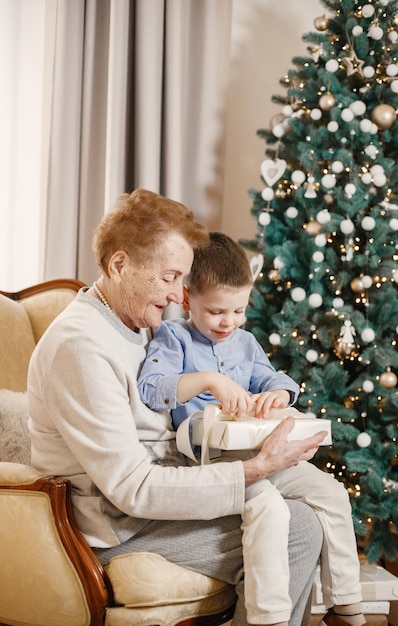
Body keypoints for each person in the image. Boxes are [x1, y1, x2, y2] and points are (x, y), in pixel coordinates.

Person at [28, 189, 325, 626]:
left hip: (156, 504)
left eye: (181, 279)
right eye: (168, 277)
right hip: (118, 527)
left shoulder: (137, 323)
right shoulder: (81, 347)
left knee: (297, 509)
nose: (177, 295)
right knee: (296, 529)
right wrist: (253, 471)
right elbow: (132, 487)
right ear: (120, 265)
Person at [138, 231, 367, 626]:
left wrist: (277, 396)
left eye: (238, 310)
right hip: (214, 462)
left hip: (263, 450)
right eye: (216, 312)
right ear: (189, 298)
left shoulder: (245, 342)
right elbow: (151, 387)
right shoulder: (173, 337)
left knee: (330, 492)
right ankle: (270, 618)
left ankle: (345, 606)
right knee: (269, 509)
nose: (229, 322)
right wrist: (209, 380)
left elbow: (274, 379)